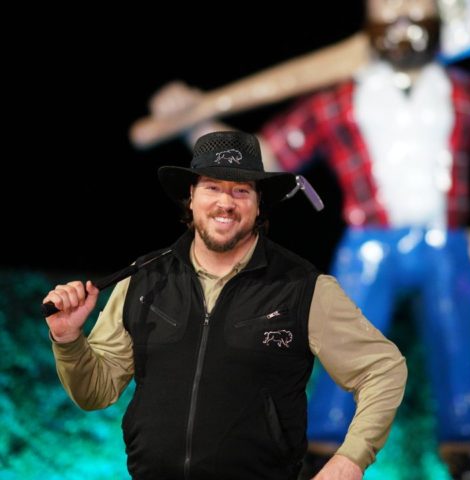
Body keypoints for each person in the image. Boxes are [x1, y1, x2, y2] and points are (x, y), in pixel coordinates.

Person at [134, 0, 470, 477]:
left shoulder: (466, 95)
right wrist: (197, 123)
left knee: (458, 347)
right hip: (368, 247)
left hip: (445, 246)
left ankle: (469, 446)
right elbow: (262, 158)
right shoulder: (341, 101)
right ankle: (323, 448)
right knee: (342, 344)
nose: (403, 23)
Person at [42, 130, 408, 480]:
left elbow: (383, 369)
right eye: (212, 187)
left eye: (241, 190)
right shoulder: (142, 281)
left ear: (259, 203)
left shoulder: (304, 287)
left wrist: (350, 461)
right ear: (191, 196)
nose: (225, 203)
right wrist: (68, 340)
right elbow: (95, 392)